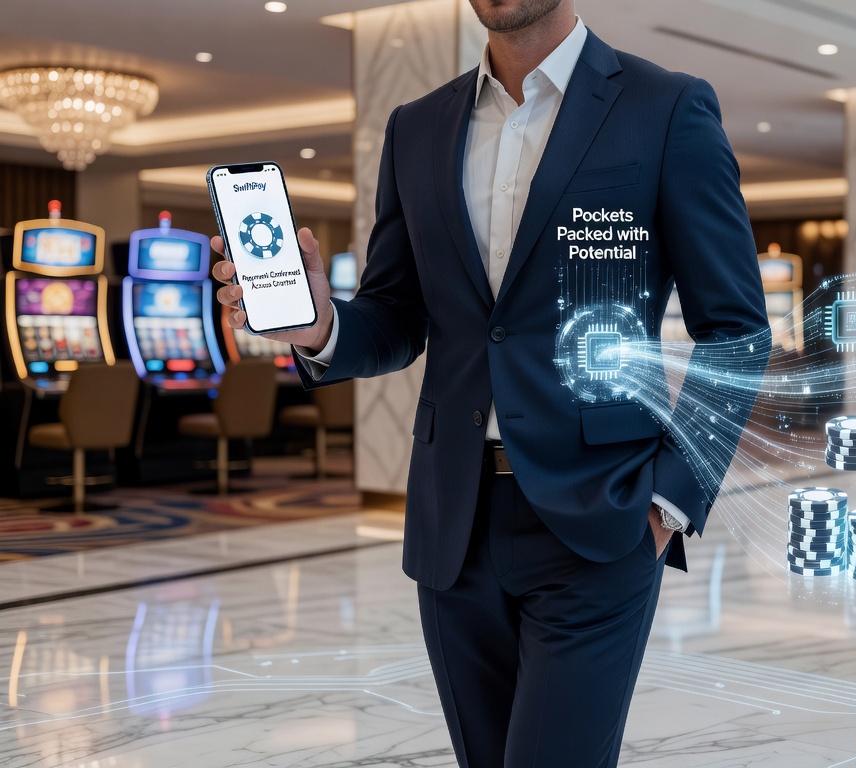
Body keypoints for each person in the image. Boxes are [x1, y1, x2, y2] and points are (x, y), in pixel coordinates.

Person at [211, 0, 769, 765]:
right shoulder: (417, 126)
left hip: (602, 522)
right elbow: (399, 316)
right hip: (454, 523)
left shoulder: (666, 106)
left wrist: (669, 501)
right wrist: (318, 327)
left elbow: (735, 330)